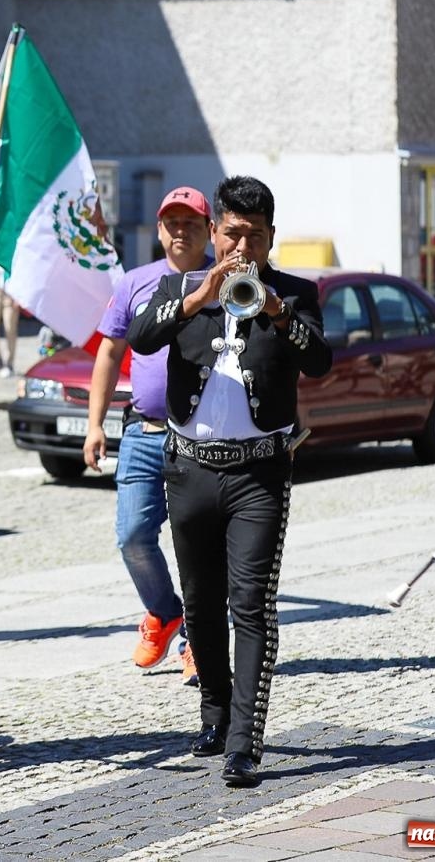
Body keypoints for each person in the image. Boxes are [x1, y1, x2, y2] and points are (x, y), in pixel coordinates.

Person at [126, 175, 331, 789]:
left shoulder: (296, 292)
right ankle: (213, 715)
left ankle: (245, 740)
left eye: (255, 236)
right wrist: (202, 294)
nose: (242, 246)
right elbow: (139, 336)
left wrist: (275, 308)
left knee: (251, 604)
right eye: (232, 234)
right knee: (200, 604)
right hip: (188, 466)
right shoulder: (179, 286)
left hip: (259, 471)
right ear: (215, 231)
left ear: (271, 238)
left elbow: (320, 360)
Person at [85, 186, 213, 683]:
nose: (181, 231)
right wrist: (95, 425)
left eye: (191, 223)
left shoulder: (221, 282)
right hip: (142, 431)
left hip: (200, 438)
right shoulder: (136, 282)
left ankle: (199, 642)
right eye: (172, 223)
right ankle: (163, 611)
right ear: (159, 230)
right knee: (133, 535)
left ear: (208, 230)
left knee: (198, 546)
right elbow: (110, 354)